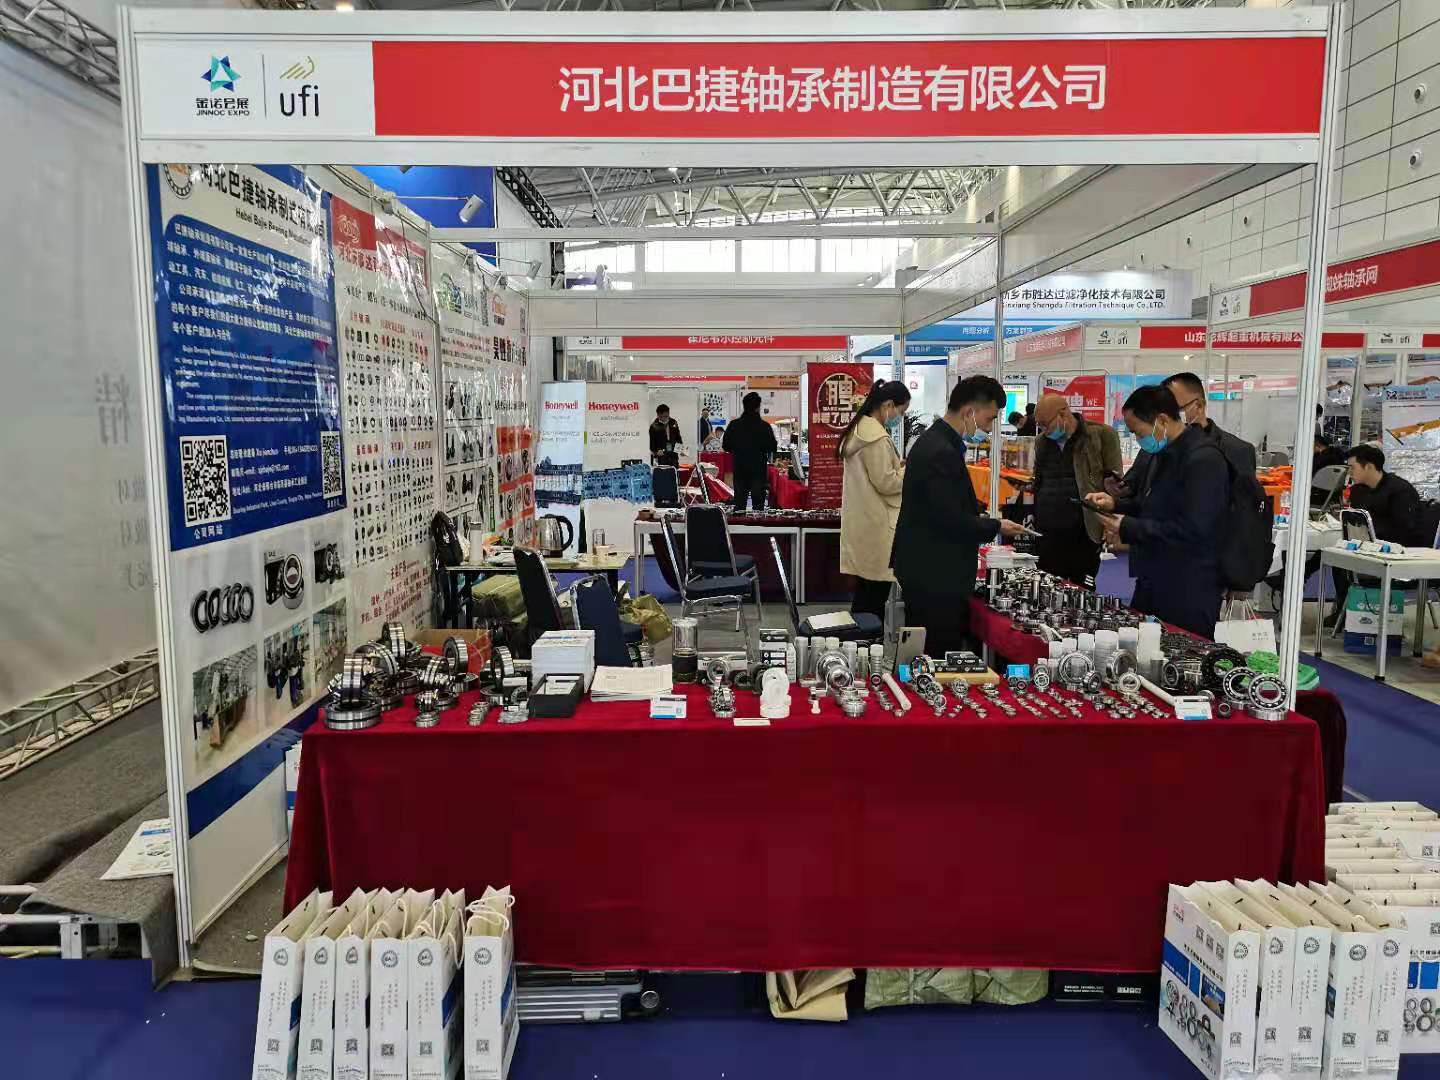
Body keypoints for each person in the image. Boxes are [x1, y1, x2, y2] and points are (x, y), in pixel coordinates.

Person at [892, 375, 1027, 655]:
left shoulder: (937, 442)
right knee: (936, 653)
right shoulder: (940, 450)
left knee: (928, 650)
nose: (988, 428)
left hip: (928, 566)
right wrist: (995, 526)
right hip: (935, 573)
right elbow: (948, 520)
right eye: (989, 419)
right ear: (968, 412)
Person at [1084, 384, 1228, 636]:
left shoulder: (1203, 459)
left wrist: (1127, 526)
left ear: (1161, 420)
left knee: (1184, 651)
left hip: (1188, 585)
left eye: (1137, 431)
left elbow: (1194, 530)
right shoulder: (1159, 455)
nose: (1138, 439)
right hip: (1152, 575)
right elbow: (1150, 504)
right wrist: (1114, 504)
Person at [1327, 444, 1425, 628]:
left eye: (1353, 467)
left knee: (1345, 563)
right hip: (1367, 546)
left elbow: (1406, 530)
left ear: (1369, 466)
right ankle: (1344, 611)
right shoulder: (1359, 491)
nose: (1350, 472)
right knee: (1337, 558)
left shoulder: (1400, 491)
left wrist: (1374, 537)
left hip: (1396, 552)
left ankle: (1346, 613)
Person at [1031, 394, 1124, 587]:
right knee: (1047, 585)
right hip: (1047, 528)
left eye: (1046, 424)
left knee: (1082, 586)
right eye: (1040, 426)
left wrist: (1110, 522)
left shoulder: (1101, 435)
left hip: (1084, 527)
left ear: (1063, 413)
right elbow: (1040, 479)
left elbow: (1115, 484)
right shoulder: (1041, 442)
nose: (1044, 430)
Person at [839, 380, 911, 619]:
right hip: (878, 524)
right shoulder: (876, 438)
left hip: (865, 521)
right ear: (888, 405)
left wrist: (896, 466)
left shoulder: (861, 430)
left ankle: (861, 638)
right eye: (901, 411)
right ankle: (867, 640)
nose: (900, 417)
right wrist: (907, 470)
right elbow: (886, 483)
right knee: (873, 599)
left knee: (865, 595)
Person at [1163, 371, 1257, 478]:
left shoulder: (1237, 450)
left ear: (1199, 406)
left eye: (1173, 410)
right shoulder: (1160, 449)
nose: (1166, 419)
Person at [723, 391, 778, 512]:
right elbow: (773, 447)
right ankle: (758, 523)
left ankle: (739, 523)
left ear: (744, 406)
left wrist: (738, 449)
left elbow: (725, 446)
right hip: (758, 470)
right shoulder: (764, 427)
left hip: (740, 469)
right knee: (758, 506)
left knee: (740, 504)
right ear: (758, 407)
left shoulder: (734, 425)